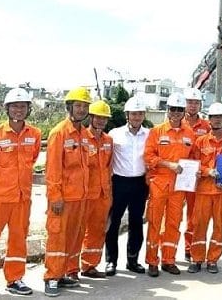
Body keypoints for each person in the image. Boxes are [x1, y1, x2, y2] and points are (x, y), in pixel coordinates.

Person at [0, 88, 41, 300]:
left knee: (19, 238)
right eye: (14, 106)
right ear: (7, 109)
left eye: (23, 106)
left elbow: (32, 160)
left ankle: (15, 279)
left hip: (22, 198)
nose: (18, 110)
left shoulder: (35, 135)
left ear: (28, 109)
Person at [42, 87, 95, 297]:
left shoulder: (85, 135)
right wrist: (55, 197)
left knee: (72, 238)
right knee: (57, 238)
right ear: (69, 107)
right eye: (78, 105)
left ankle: (62, 273)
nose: (81, 110)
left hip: (80, 197)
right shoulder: (59, 133)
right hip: (63, 199)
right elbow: (52, 169)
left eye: (85, 106)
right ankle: (51, 277)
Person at [143, 92, 196, 277]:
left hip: (179, 186)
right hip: (159, 183)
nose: (176, 113)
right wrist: (168, 164)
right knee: (155, 223)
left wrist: (194, 170)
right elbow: (148, 157)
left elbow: (192, 158)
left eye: (179, 110)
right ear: (167, 110)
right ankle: (152, 261)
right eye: (173, 109)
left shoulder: (189, 133)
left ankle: (169, 260)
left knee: (174, 223)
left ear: (184, 112)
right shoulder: (156, 132)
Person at [187, 102, 222, 274]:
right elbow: (193, 164)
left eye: (220, 117)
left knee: (219, 225)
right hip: (203, 191)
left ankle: (213, 260)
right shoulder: (200, 142)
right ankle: (196, 258)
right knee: (199, 224)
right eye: (214, 117)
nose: (217, 120)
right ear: (209, 119)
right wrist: (208, 171)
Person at [104, 97, 150, 276]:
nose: (136, 117)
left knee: (136, 223)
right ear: (127, 115)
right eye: (133, 114)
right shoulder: (115, 134)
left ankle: (133, 260)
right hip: (119, 182)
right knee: (113, 222)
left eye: (140, 114)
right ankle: (111, 261)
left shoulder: (149, 135)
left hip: (140, 183)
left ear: (144, 115)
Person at [75, 100, 114, 279]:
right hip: (85, 193)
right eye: (98, 117)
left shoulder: (108, 141)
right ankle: (71, 268)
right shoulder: (81, 138)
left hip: (103, 194)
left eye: (104, 118)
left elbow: (109, 167)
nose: (100, 121)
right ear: (90, 117)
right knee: (78, 230)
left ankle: (90, 265)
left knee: (97, 230)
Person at [182, 87, 210, 262]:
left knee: (194, 215)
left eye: (196, 103)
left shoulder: (206, 126)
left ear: (200, 105)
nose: (192, 105)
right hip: (177, 173)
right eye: (190, 102)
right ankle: (166, 250)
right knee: (171, 214)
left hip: (197, 175)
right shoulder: (177, 122)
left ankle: (189, 247)